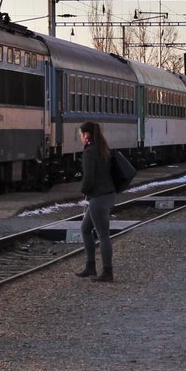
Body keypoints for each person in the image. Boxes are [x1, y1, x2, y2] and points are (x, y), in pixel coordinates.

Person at [76, 121, 116, 282]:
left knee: (103, 235)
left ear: (86, 135)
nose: (80, 138)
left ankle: (107, 272)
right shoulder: (103, 149)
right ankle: (90, 266)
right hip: (108, 194)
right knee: (85, 229)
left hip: (98, 198)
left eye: (81, 135)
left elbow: (88, 178)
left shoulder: (89, 152)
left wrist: (83, 191)